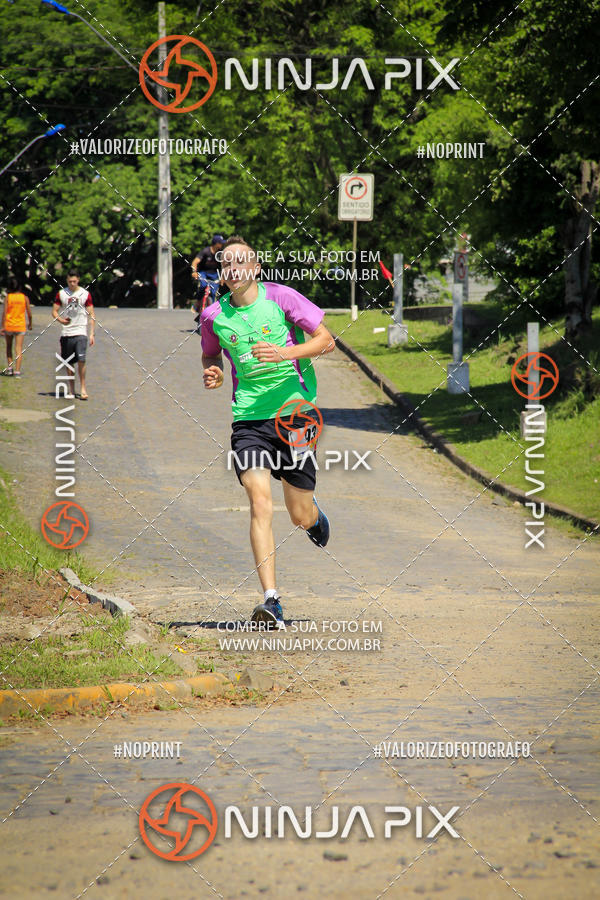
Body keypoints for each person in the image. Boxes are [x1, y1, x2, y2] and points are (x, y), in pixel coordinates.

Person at [201, 235, 335, 628]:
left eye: (242, 262)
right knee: (260, 503)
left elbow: (326, 341)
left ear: (256, 268)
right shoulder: (214, 316)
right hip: (248, 422)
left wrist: (284, 353)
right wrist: (214, 370)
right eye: (227, 264)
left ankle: (313, 517)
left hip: (294, 415)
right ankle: (271, 600)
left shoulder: (282, 298)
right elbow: (210, 351)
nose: (234, 269)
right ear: (222, 274)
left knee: (297, 514)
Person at [52, 270, 95, 400]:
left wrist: (92, 333)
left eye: (74, 281)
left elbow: (91, 314)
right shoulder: (61, 293)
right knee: (69, 362)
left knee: (82, 360)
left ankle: (83, 388)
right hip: (66, 333)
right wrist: (61, 320)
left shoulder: (85, 294)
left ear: (78, 280)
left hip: (81, 332)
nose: (72, 284)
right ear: (67, 280)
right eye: (70, 281)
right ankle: (71, 389)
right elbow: (54, 311)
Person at [1, 277, 33, 377]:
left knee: (9, 347)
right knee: (18, 348)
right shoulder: (24, 297)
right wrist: (30, 323)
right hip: (20, 326)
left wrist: (2, 326)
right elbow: (29, 313)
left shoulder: (8, 297)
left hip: (9, 325)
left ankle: (10, 368)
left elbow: (5, 313)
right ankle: (17, 371)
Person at [191, 234, 225, 316]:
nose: (222, 245)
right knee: (203, 285)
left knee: (214, 293)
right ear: (216, 244)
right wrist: (194, 271)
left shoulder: (220, 254)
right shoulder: (205, 251)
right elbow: (195, 262)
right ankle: (198, 302)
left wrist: (223, 278)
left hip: (215, 274)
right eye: (221, 243)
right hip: (204, 273)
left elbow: (224, 266)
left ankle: (211, 311)